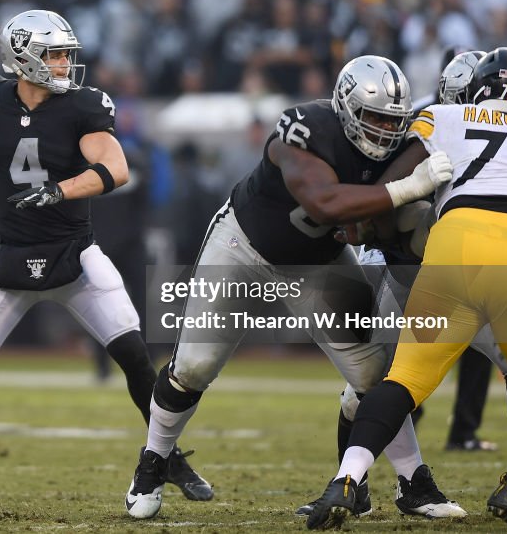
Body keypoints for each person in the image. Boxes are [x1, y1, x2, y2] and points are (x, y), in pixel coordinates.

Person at [125, 55, 464, 520]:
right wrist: (407, 189)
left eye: (393, 120)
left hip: (316, 263)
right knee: (194, 367)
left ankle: (414, 485)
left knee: (373, 376)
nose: (386, 131)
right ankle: (153, 462)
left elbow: (372, 221)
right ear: (346, 109)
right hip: (243, 246)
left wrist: (399, 220)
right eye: (375, 118)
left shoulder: (400, 147)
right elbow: (324, 203)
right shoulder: (305, 126)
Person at [0, 9, 211, 501]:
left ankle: (163, 460)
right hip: (9, 260)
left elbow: (115, 167)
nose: (65, 64)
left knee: (134, 356)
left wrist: (59, 191)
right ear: (22, 58)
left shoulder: (81, 107)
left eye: (66, 54)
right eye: (55, 54)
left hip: (74, 256)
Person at [304, 47, 507, 529]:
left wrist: (374, 230)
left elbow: (389, 184)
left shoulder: (441, 115)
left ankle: (347, 477)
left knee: (400, 381)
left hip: (452, 249)